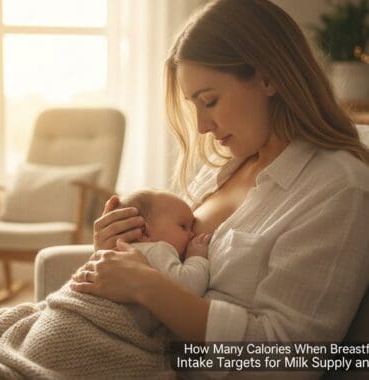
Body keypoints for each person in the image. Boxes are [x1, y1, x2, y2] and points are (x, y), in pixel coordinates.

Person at [70, 0, 369, 378]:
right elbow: (164, 265)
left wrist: (147, 287)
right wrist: (121, 248)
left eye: (209, 101)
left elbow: (291, 359)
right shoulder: (223, 167)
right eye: (194, 105)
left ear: (269, 78)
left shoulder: (338, 188)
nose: (201, 127)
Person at [110, 189, 212, 335]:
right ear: (144, 232)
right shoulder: (156, 249)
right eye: (183, 226)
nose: (192, 234)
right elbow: (188, 288)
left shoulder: (123, 252)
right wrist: (197, 257)